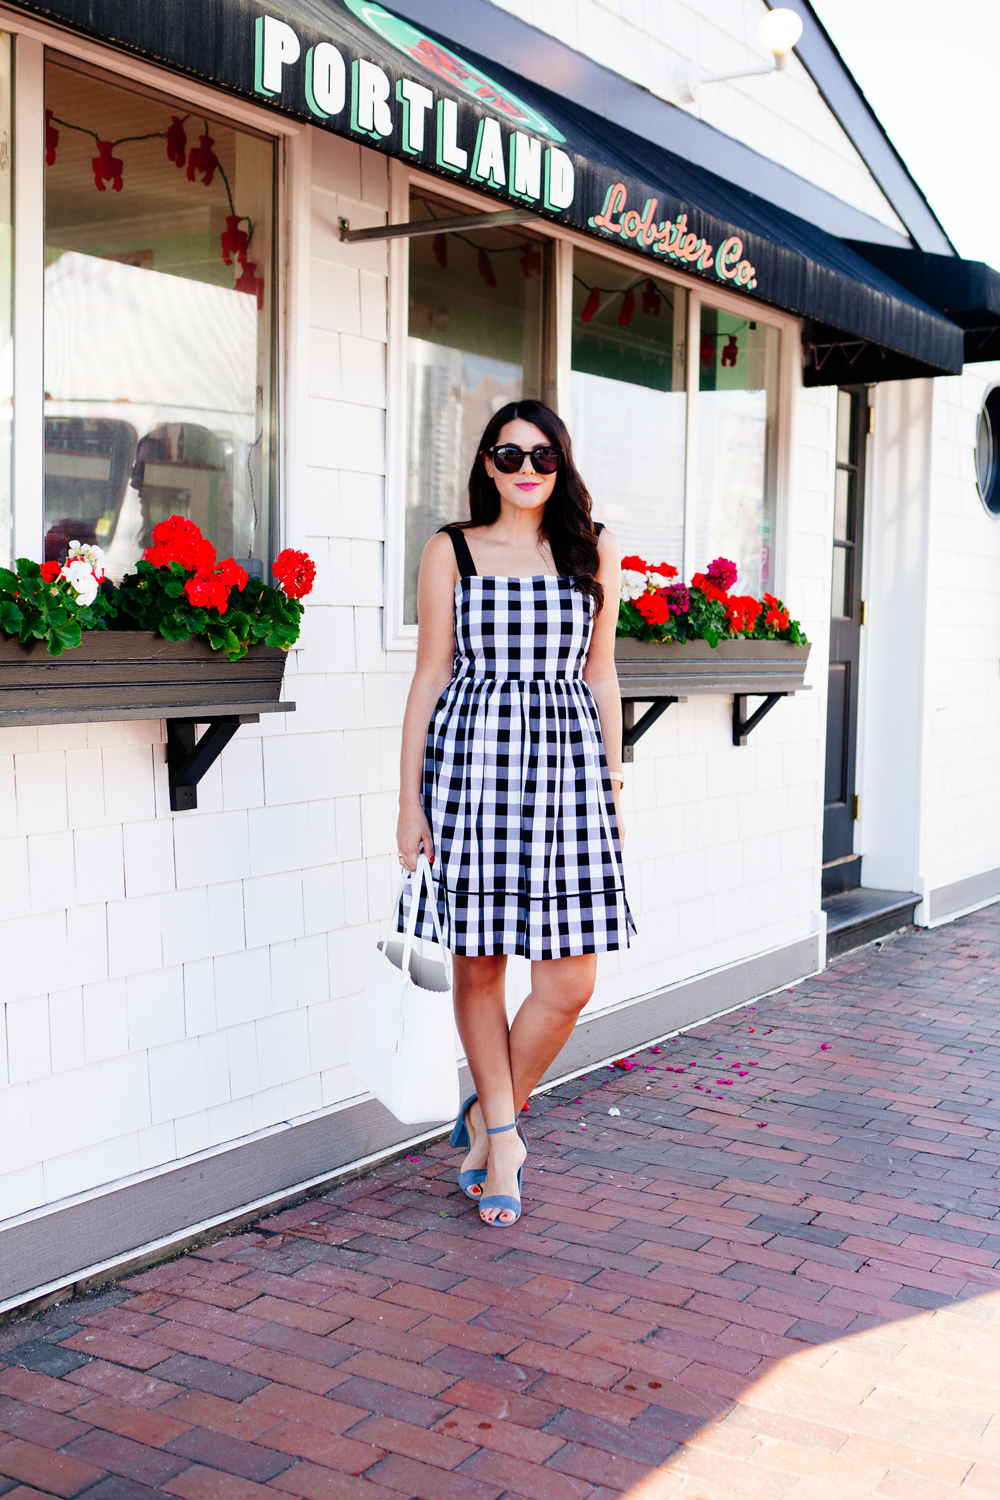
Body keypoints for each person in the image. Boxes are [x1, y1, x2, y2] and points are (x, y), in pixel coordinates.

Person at [396, 399, 633, 1227]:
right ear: (486, 463)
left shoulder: (592, 549)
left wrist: (612, 777)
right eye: (509, 455)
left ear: (561, 464)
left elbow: (602, 675)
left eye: (542, 457)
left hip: (568, 769)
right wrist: (408, 802)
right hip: (472, 768)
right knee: (481, 966)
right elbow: (430, 677)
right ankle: (504, 1135)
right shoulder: (450, 549)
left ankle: (485, 1118)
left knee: (570, 979)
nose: (526, 470)